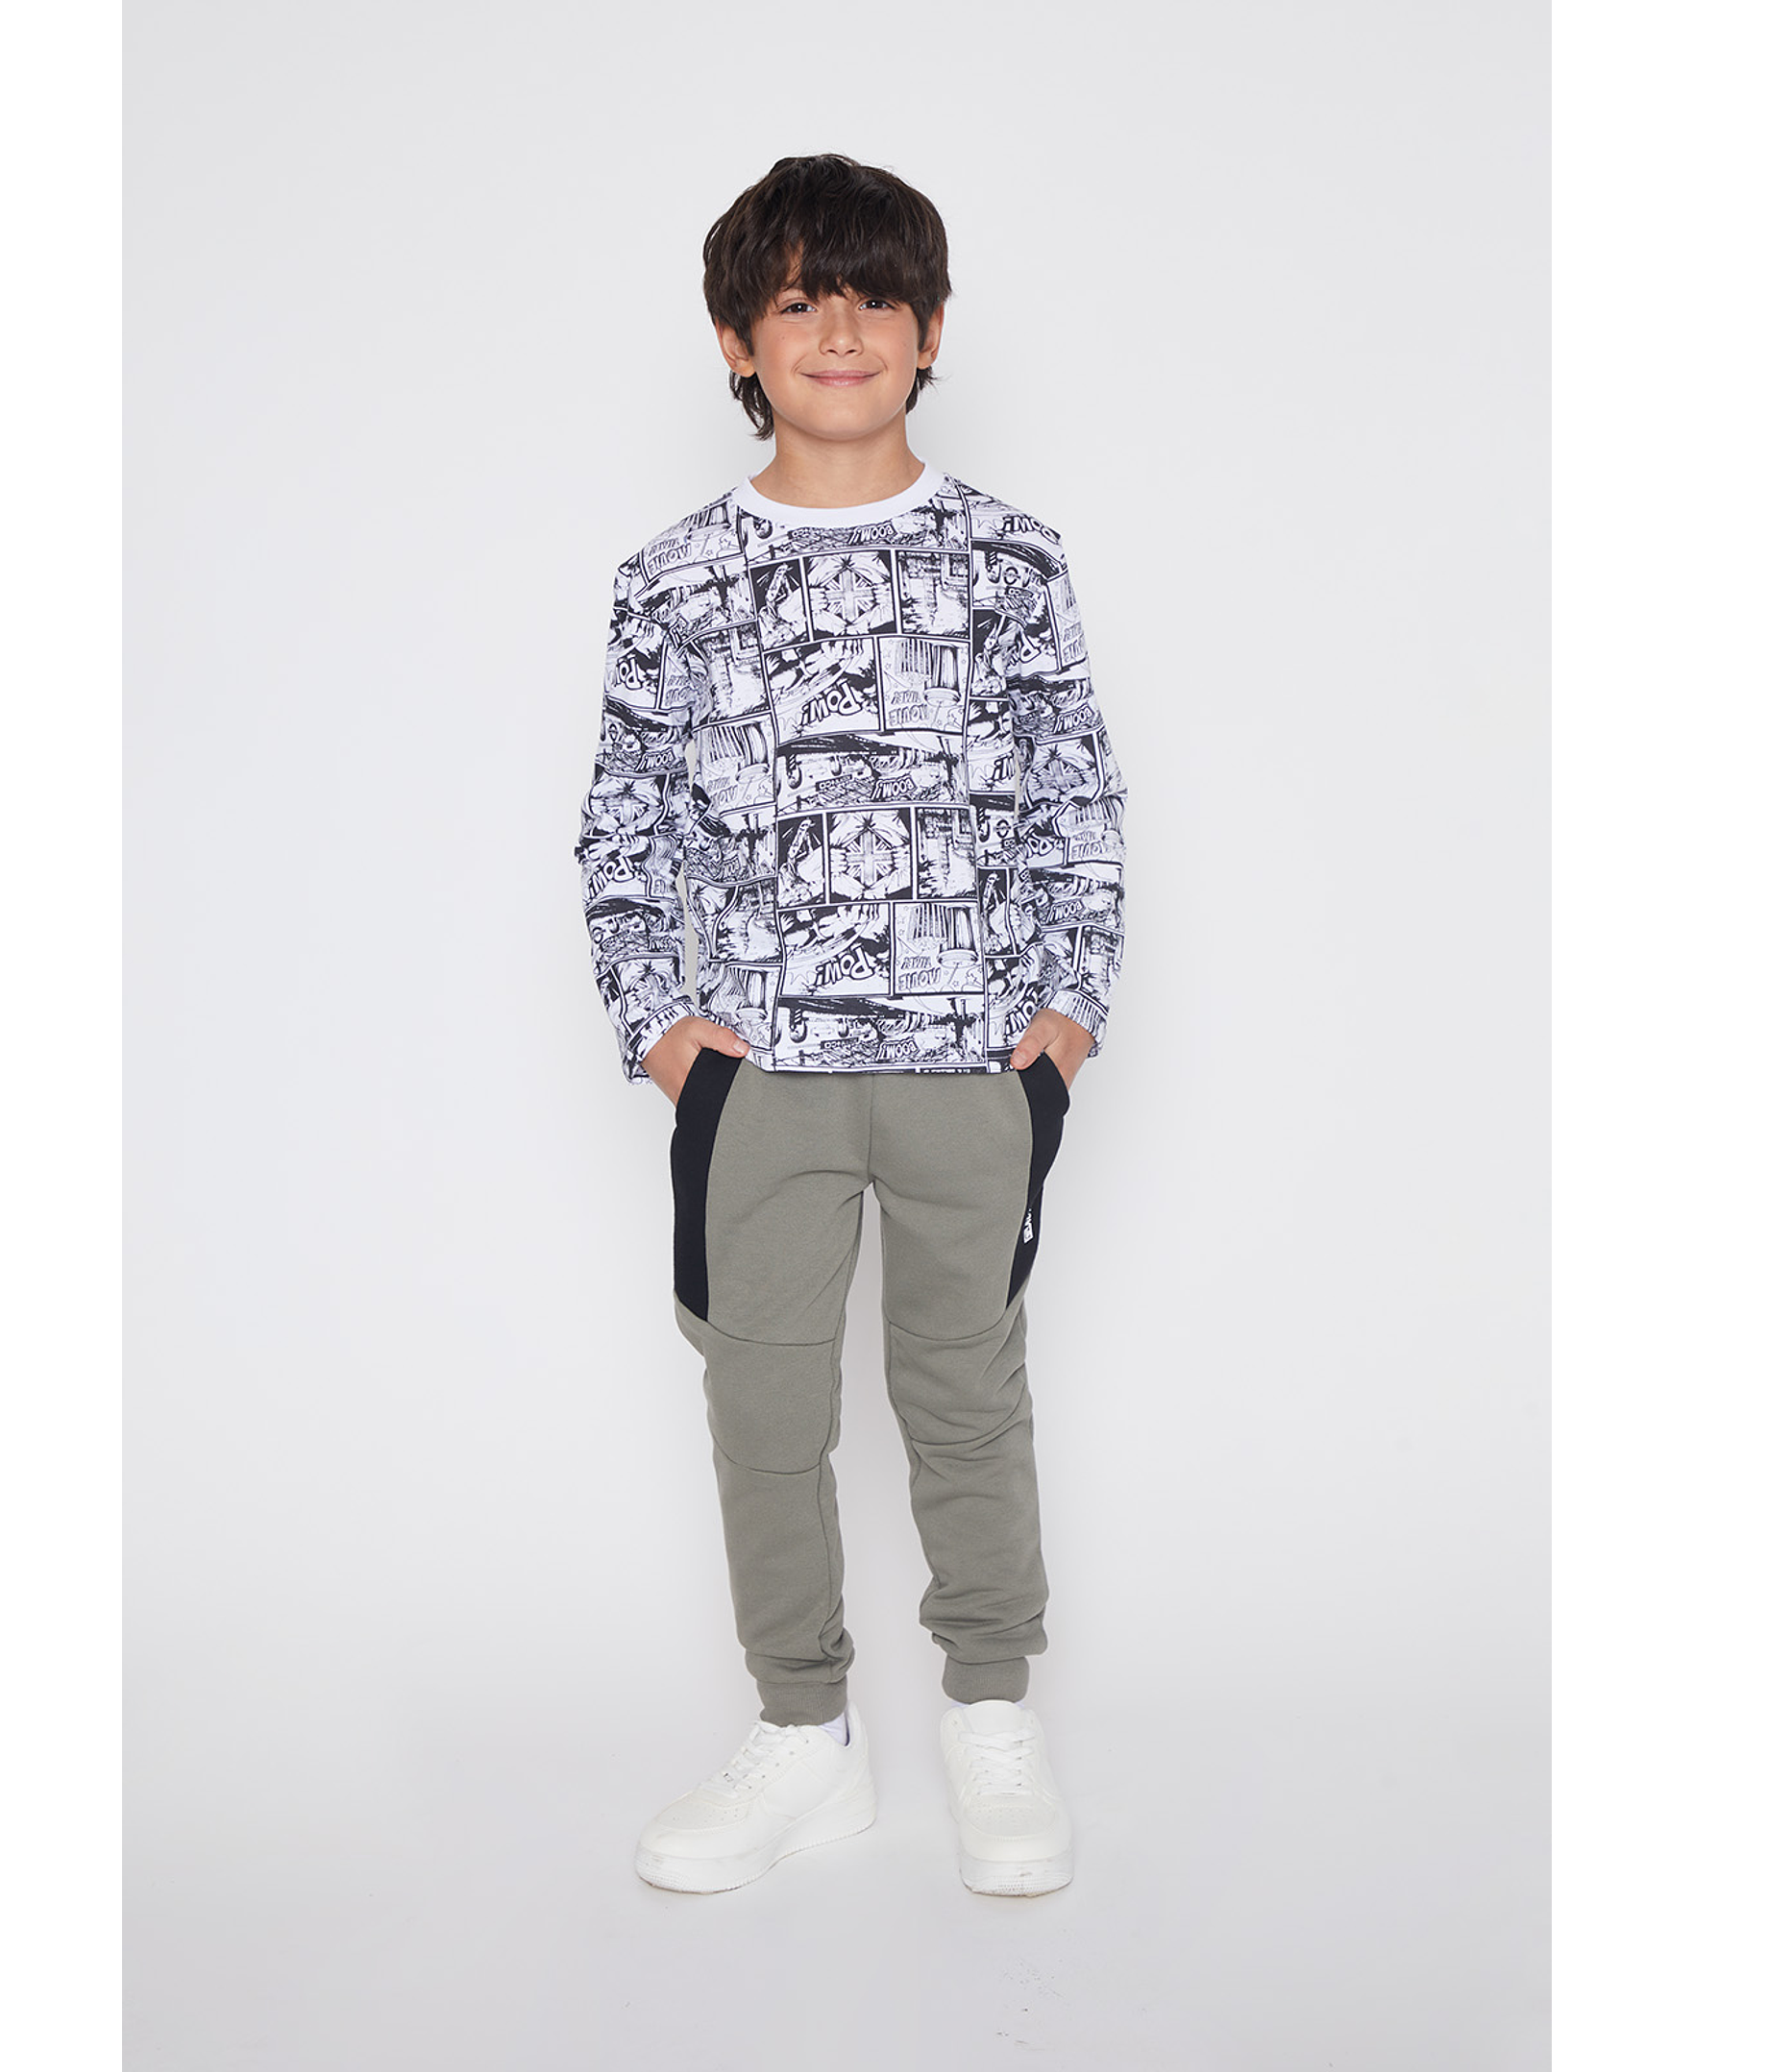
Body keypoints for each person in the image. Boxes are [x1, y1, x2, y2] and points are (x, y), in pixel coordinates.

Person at [572, 154, 1128, 1897]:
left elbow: (1077, 800)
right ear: (737, 340)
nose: (840, 330)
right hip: (761, 1081)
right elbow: (623, 825)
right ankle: (803, 1732)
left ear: (932, 332)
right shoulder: (674, 578)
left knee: (965, 1395)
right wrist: (667, 1036)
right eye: (800, 299)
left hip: (971, 1065)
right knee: (762, 1406)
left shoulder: (1010, 559)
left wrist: (1063, 1022)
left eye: (878, 297)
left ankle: (990, 1712)